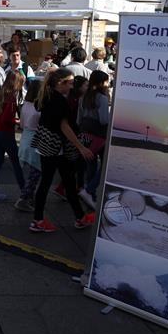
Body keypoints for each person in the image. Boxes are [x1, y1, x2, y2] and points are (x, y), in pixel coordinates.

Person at [29, 68, 95, 233]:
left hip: (46, 143)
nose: (72, 87)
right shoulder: (59, 101)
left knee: (63, 182)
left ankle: (78, 217)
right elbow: (64, 126)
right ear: (61, 83)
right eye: (70, 83)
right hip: (56, 146)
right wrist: (81, 147)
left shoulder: (47, 95)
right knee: (59, 182)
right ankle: (38, 220)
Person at [0, 71, 26, 202]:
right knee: (15, 162)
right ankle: (25, 191)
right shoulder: (11, 98)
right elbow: (6, 119)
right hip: (5, 133)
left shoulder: (0, 94)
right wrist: (18, 122)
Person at [77, 70, 111, 209]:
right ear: (102, 82)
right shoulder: (102, 98)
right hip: (99, 136)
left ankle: (91, 196)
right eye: (107, 81)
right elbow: (104, 120)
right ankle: (89, 190)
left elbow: (78, 119)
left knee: (91, 165)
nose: (108, 84)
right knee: (104, 167)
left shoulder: (84, 97)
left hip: (85, 135)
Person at [15, 78, 43, 212]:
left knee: (32, 173)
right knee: (35, 173)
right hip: (35, 140)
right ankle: (24, 199)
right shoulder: (39, 108)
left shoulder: (25, 105)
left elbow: (21, 124)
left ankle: (28, 198)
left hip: (25, 138)